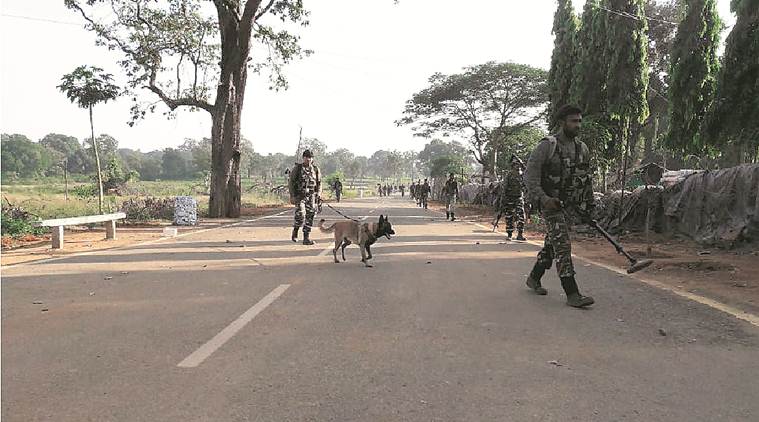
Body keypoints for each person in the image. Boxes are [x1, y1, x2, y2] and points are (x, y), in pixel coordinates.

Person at [523, 104, 595, 308]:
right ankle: (572, 293)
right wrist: (544, 199)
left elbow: (586, 180)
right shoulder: (547, 146)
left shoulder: (582, 149)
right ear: (562, 122)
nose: (578, 125)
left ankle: (534, 277)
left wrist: (589, 205)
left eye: (580, 121)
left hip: (569, 205)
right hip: (549, 205)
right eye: (573, 121)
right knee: (562, 244)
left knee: (552, 245)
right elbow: (530, 177)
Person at [288, 149, 321, 245]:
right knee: (301, 215)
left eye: (310, 157)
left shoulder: (315, 169)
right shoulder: (297, 168)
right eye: (306, 157)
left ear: (312, 159)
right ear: (303, 158)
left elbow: (319, 183)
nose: (308, 159)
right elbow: (291, 182)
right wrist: (292, 196)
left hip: (311, 196)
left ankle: (306, 238)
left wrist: (318, 193)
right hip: (300, 196)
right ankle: (295, 231)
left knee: (310, 216)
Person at [498, 155, 527, 240]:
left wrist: (522, 163)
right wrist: (503, 200)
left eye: (518, 164)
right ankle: (509, 234)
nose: (517, 166)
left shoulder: (522, 174)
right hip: (509, 198)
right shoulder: (509, 175)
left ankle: (520, 234)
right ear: (513, 165)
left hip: (519, 198)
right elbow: (504, 187)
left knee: (521, 216)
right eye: (516, 164)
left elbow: (528, 172)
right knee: (509, 216)